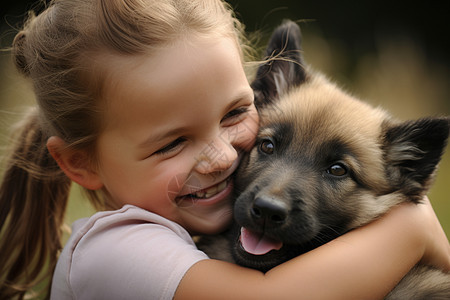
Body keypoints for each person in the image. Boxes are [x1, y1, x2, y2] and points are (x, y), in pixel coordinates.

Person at [0, 0, 448, 299]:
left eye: (235, 115)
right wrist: (413, 231)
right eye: (173, 142)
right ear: (81, 163)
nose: (222, 158)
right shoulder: (113, 250)